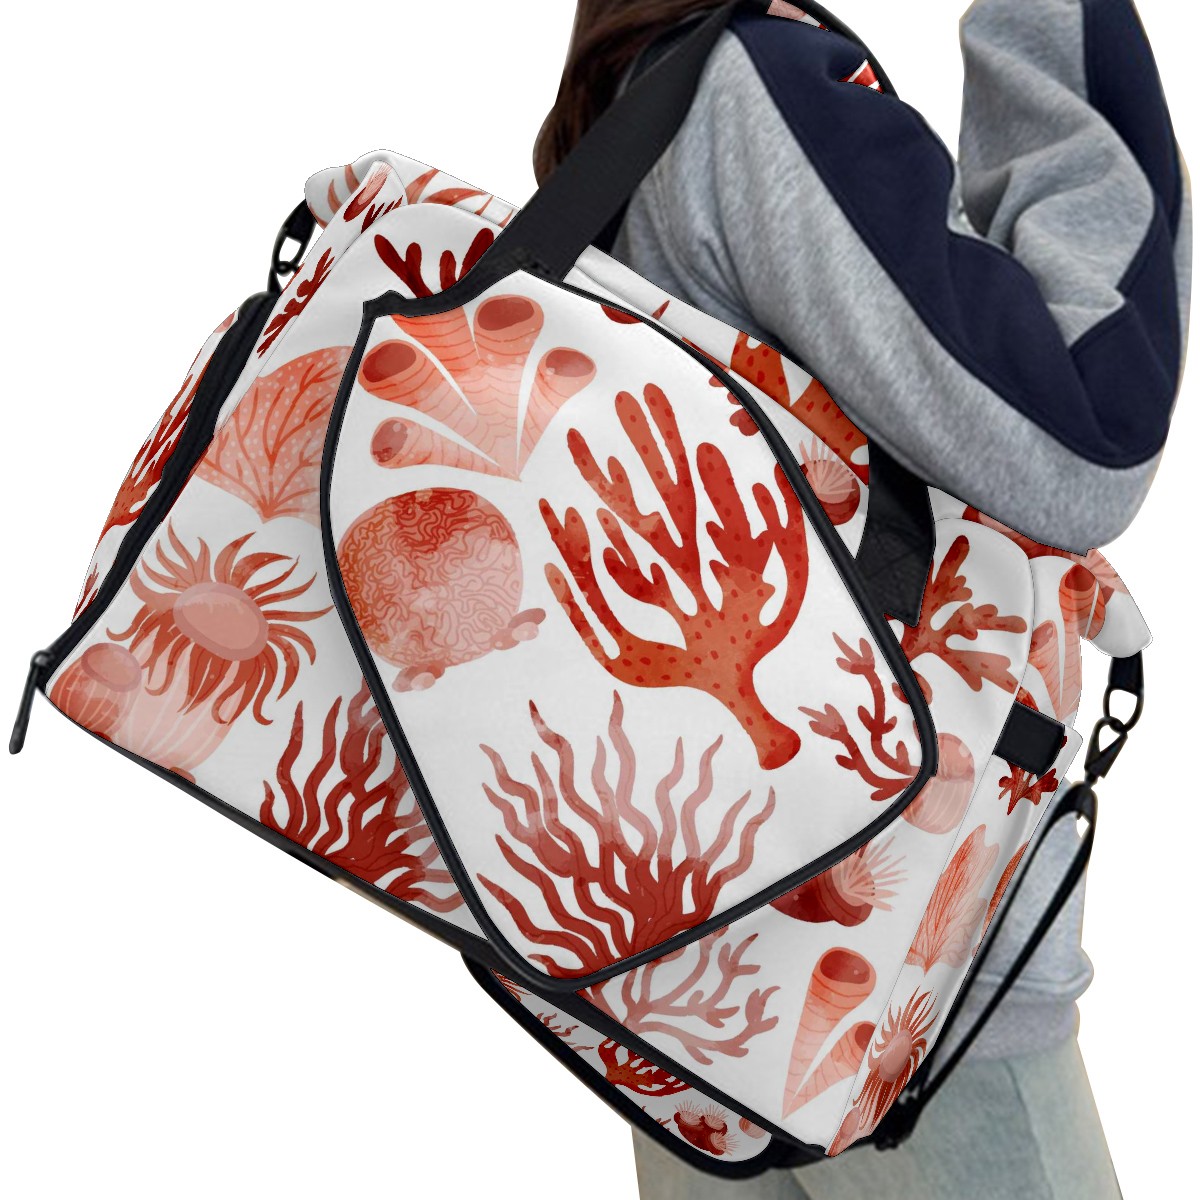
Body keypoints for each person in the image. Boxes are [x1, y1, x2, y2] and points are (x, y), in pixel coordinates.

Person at [533, 2, 1190, 1197]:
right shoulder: (760, 89)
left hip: (682, 982)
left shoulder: (626, 123)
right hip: (901, 986)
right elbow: (1086, 433)